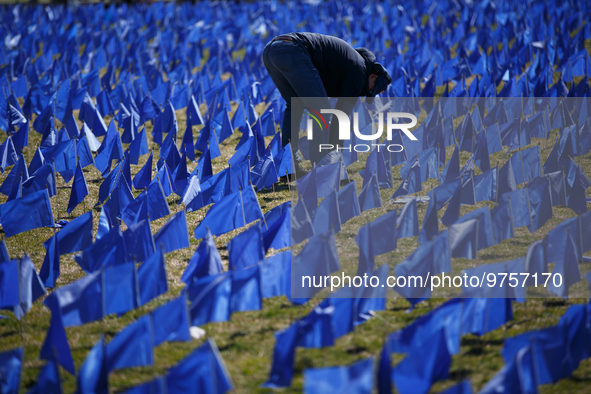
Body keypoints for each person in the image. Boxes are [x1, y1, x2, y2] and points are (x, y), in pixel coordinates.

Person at [262, 32, 391, 178]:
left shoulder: (351, 63)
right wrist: (333, 157)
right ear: (372, 76)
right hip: (294, 51)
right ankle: (322, 168)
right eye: (371, 88)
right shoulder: (359, 70)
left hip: (271, 51)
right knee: (320, 108)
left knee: (294, 104)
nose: (366, 92)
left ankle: (288, 169)